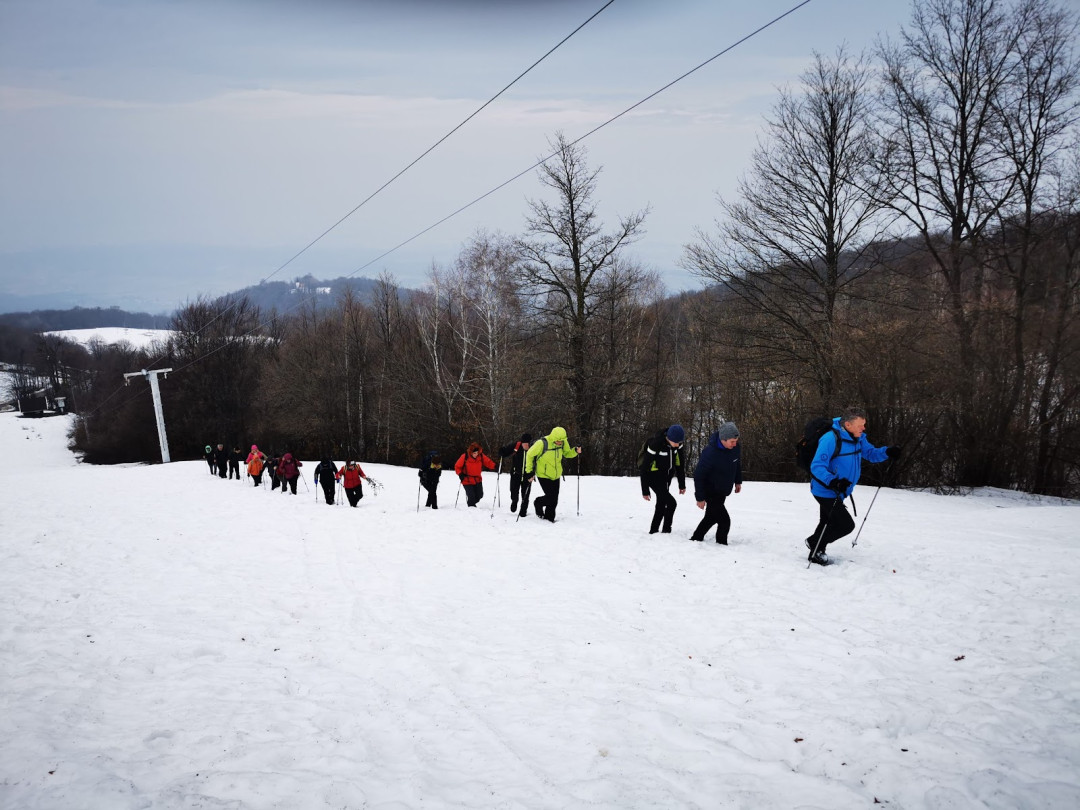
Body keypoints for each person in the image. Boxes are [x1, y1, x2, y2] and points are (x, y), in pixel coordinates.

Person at [805, 407, 899, 566]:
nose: (864, 428)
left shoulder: (859, 438)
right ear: (848, 425)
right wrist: (833, 481)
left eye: (864, 424)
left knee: (827, 521)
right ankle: (814, 542)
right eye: (860, 425)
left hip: (840, 490)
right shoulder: (830, 439)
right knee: (845, 525)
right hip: (825, 489)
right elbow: (817, 466)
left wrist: (888, 452)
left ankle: (816, 553)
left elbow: (871, 454)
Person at [690, 422, 742, 545]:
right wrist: (700, 497)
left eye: (736, 440)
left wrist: (738, 481)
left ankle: (696, 538)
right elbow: (699, 476)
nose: (735, 444)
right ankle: (721, 545)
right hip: (710, 491)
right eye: (732, 441)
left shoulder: (735, 448)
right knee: (724, 521)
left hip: (722, 490)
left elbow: (736, 463)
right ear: (723, 440)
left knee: (711, 517)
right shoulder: (710, 453)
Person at [524, 426, 581, 523]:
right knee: (551, 498)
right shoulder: (542, 443)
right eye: (558, 441)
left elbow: (567, 453)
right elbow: (529, 454)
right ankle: (538, 503)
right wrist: (529, 472)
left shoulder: (563, 442)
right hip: (543, 474)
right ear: (553, 437)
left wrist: (575, 451)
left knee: (554, 499)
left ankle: (549, 519)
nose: (560, 443)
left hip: (556, 474)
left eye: (562, 441)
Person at [639, 424, 687, 534]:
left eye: (680, 442)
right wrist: (645, 490)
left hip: (666, 478)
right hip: (653, 478)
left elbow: (680, 465)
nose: (678, 445)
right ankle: (666, 530)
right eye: (676, 442)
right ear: (669, 438)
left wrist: (682, 484)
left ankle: (654, 531)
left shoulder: (678, 445)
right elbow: (644, 468)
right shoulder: (656, 444)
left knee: (661, 504)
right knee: (671, 503)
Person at [499, 433, 533, 517]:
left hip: (527, 476)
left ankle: (523, 511)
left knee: (525, 494)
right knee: (514, 491)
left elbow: (537, 462)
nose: (526, 446)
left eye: (527, 444)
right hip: (515, 474)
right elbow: (505, 451)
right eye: (524, 444)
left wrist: (532, 474)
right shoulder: (516, 446)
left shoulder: (533, 449)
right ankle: (514, 501)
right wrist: (501, 452)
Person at [454, 442, 496, 507]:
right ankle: (471, 509)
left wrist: (495, 466)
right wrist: (460, 474)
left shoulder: (481, 456)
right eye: (474, 453)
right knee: (471, 497)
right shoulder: (465, 456)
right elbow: (457, 466)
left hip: (477, 479)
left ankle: (471, 503)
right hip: (467, 480)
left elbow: (488, 462)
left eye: (477, 453)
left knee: (480, 495)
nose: (476, 454)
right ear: (471, 452)